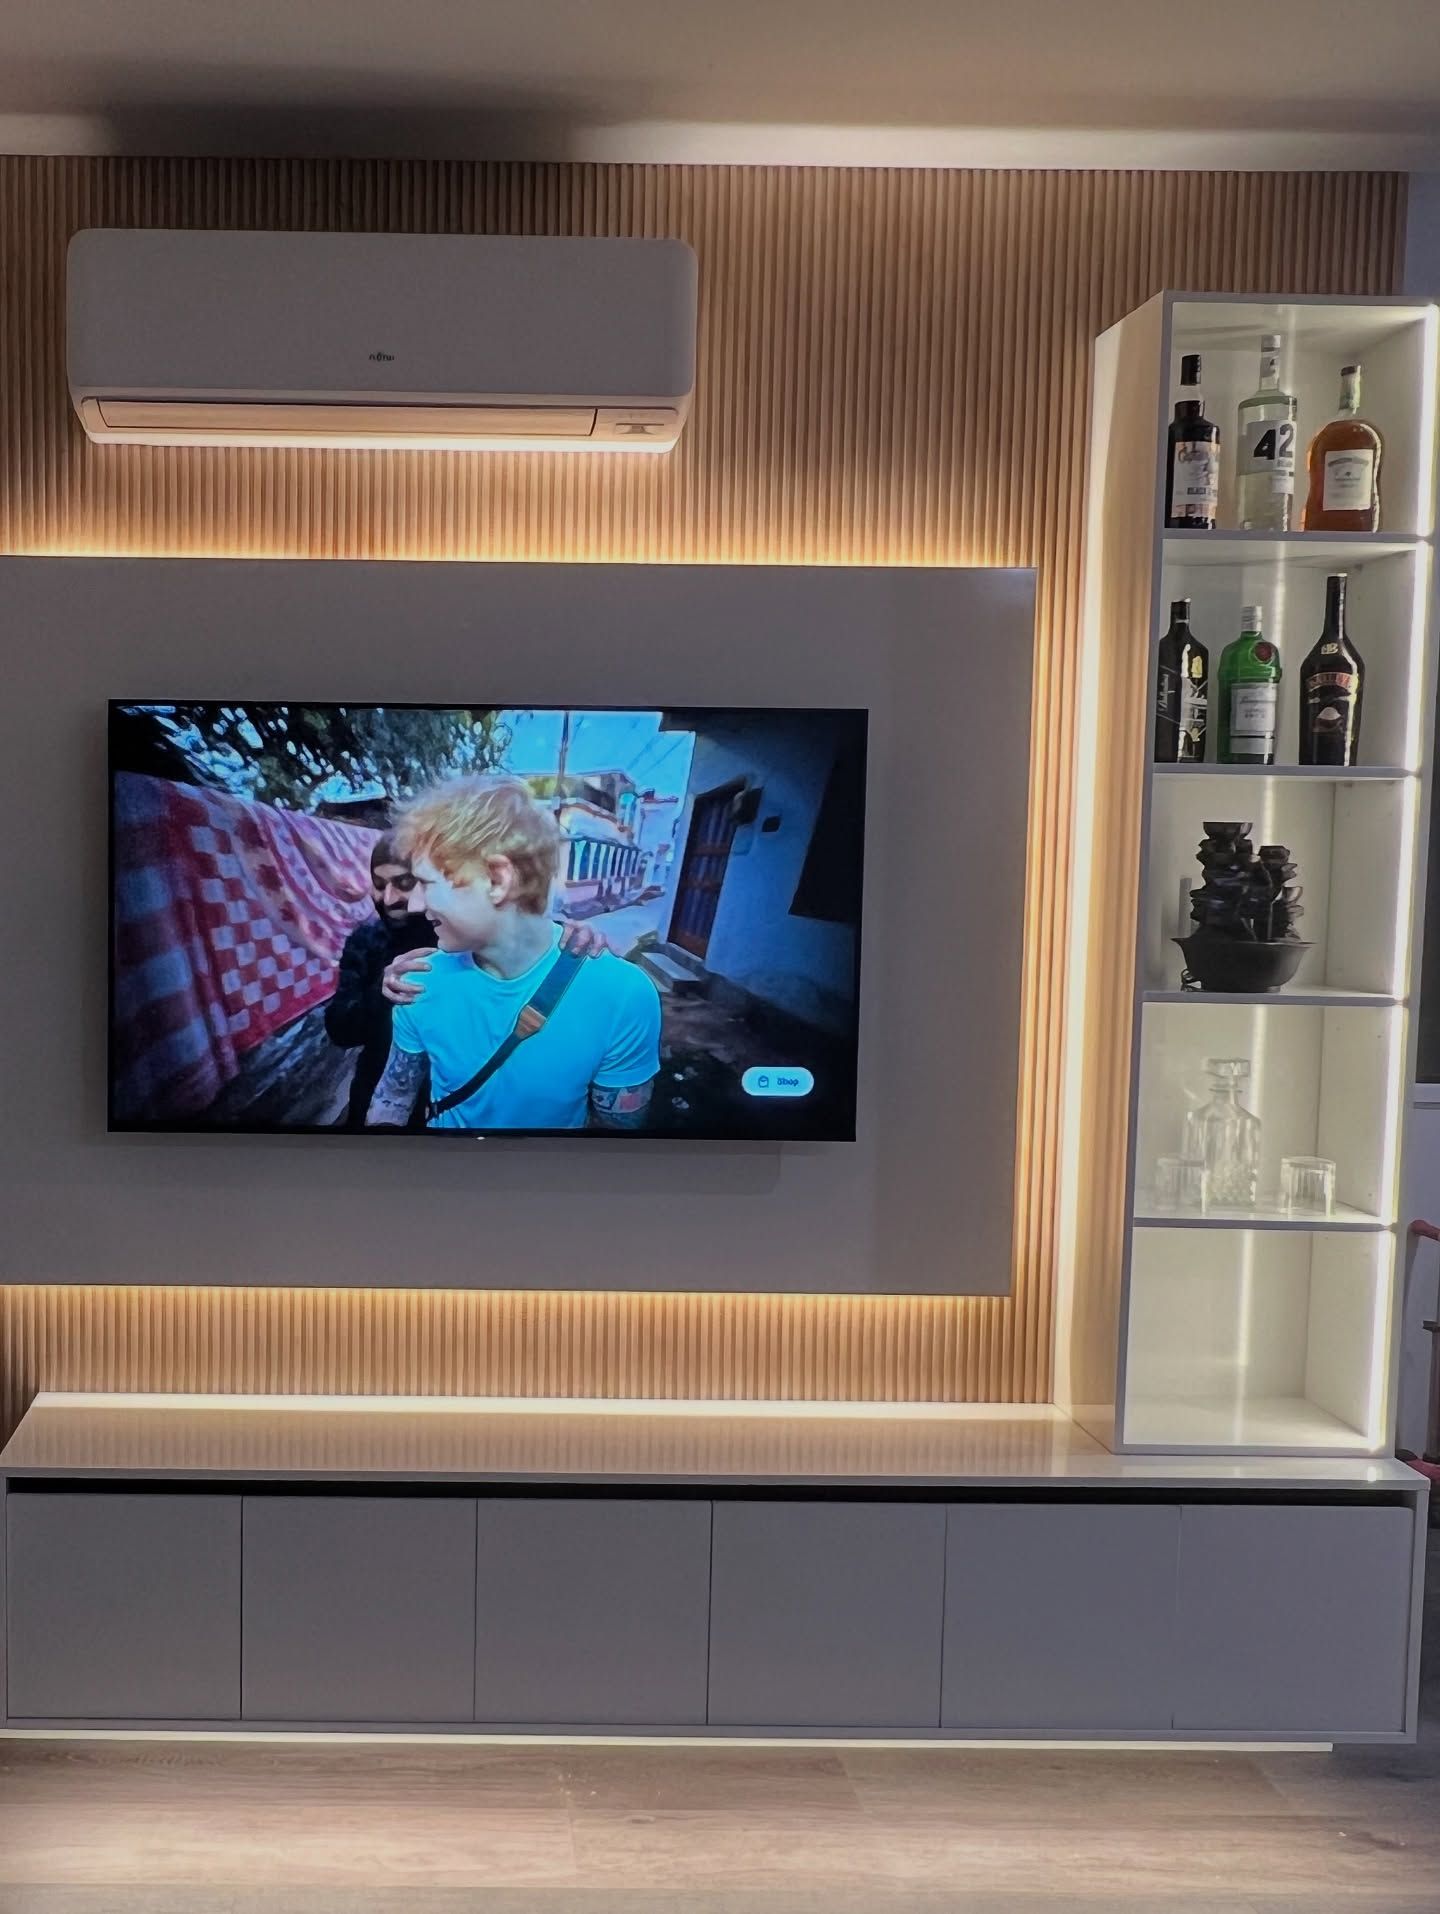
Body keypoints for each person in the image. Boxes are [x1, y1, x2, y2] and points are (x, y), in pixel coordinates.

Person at [366, 777, 662, 1132]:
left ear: (496, 880)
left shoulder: (622, 995)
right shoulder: (417, 982)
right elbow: (393, 1099)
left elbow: (617, 1141)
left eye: (426, 884)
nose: (414, 904)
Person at [325, 834, 436, 1129]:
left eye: (403, 883)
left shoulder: (459, 939)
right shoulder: (365, 941)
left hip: (446, 1106)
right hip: (375, 1102)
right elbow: (341, 1030)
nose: (388, 899)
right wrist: (383, 990)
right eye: (379, 884)